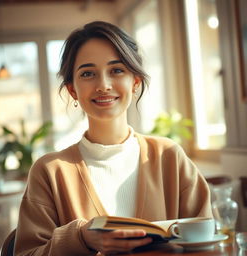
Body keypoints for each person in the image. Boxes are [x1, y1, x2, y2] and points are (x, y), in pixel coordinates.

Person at [14, 21, 213, 256]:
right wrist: (81, 238)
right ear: (72, 90)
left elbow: (208, 242)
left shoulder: (169, 157)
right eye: (88, 74)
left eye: (116, 70)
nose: (104, 85)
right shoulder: (49, 172)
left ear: (135, 82)